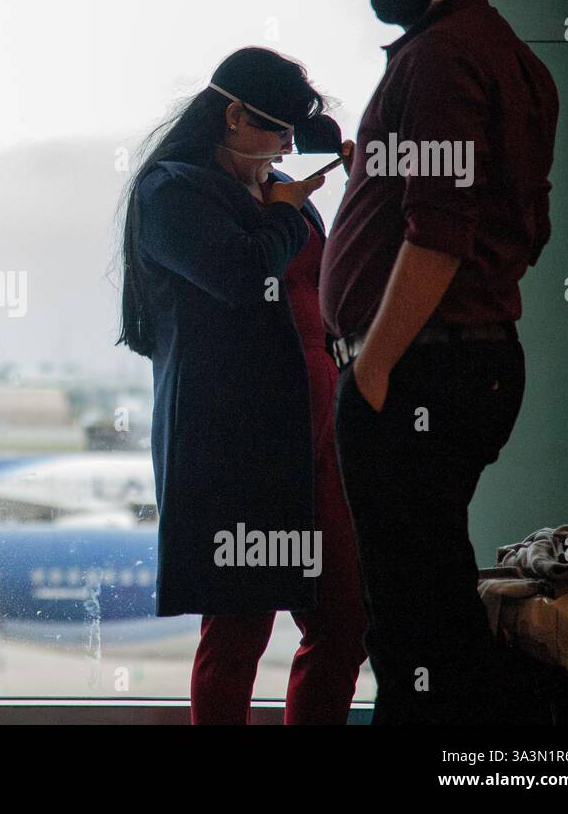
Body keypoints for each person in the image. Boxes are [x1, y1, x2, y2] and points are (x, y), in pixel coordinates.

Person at [320, 0, 558, 724]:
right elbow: (512, 227)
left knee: (413, 629)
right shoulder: (515, 62)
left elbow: (440, 235)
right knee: (438, 607)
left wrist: (373, 368)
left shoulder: (438, 59)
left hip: (418, 373)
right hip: (471, 363)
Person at [117, 47, 365, 724]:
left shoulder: (273, 180)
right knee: (238, 633)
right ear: (232, 116)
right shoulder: (173, 190)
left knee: (346, 621)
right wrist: (285, 210)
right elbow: (240, 273)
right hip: (239, 446)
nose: (286, 147)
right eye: (277, 132)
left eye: (292, 136)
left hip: (318, 435)